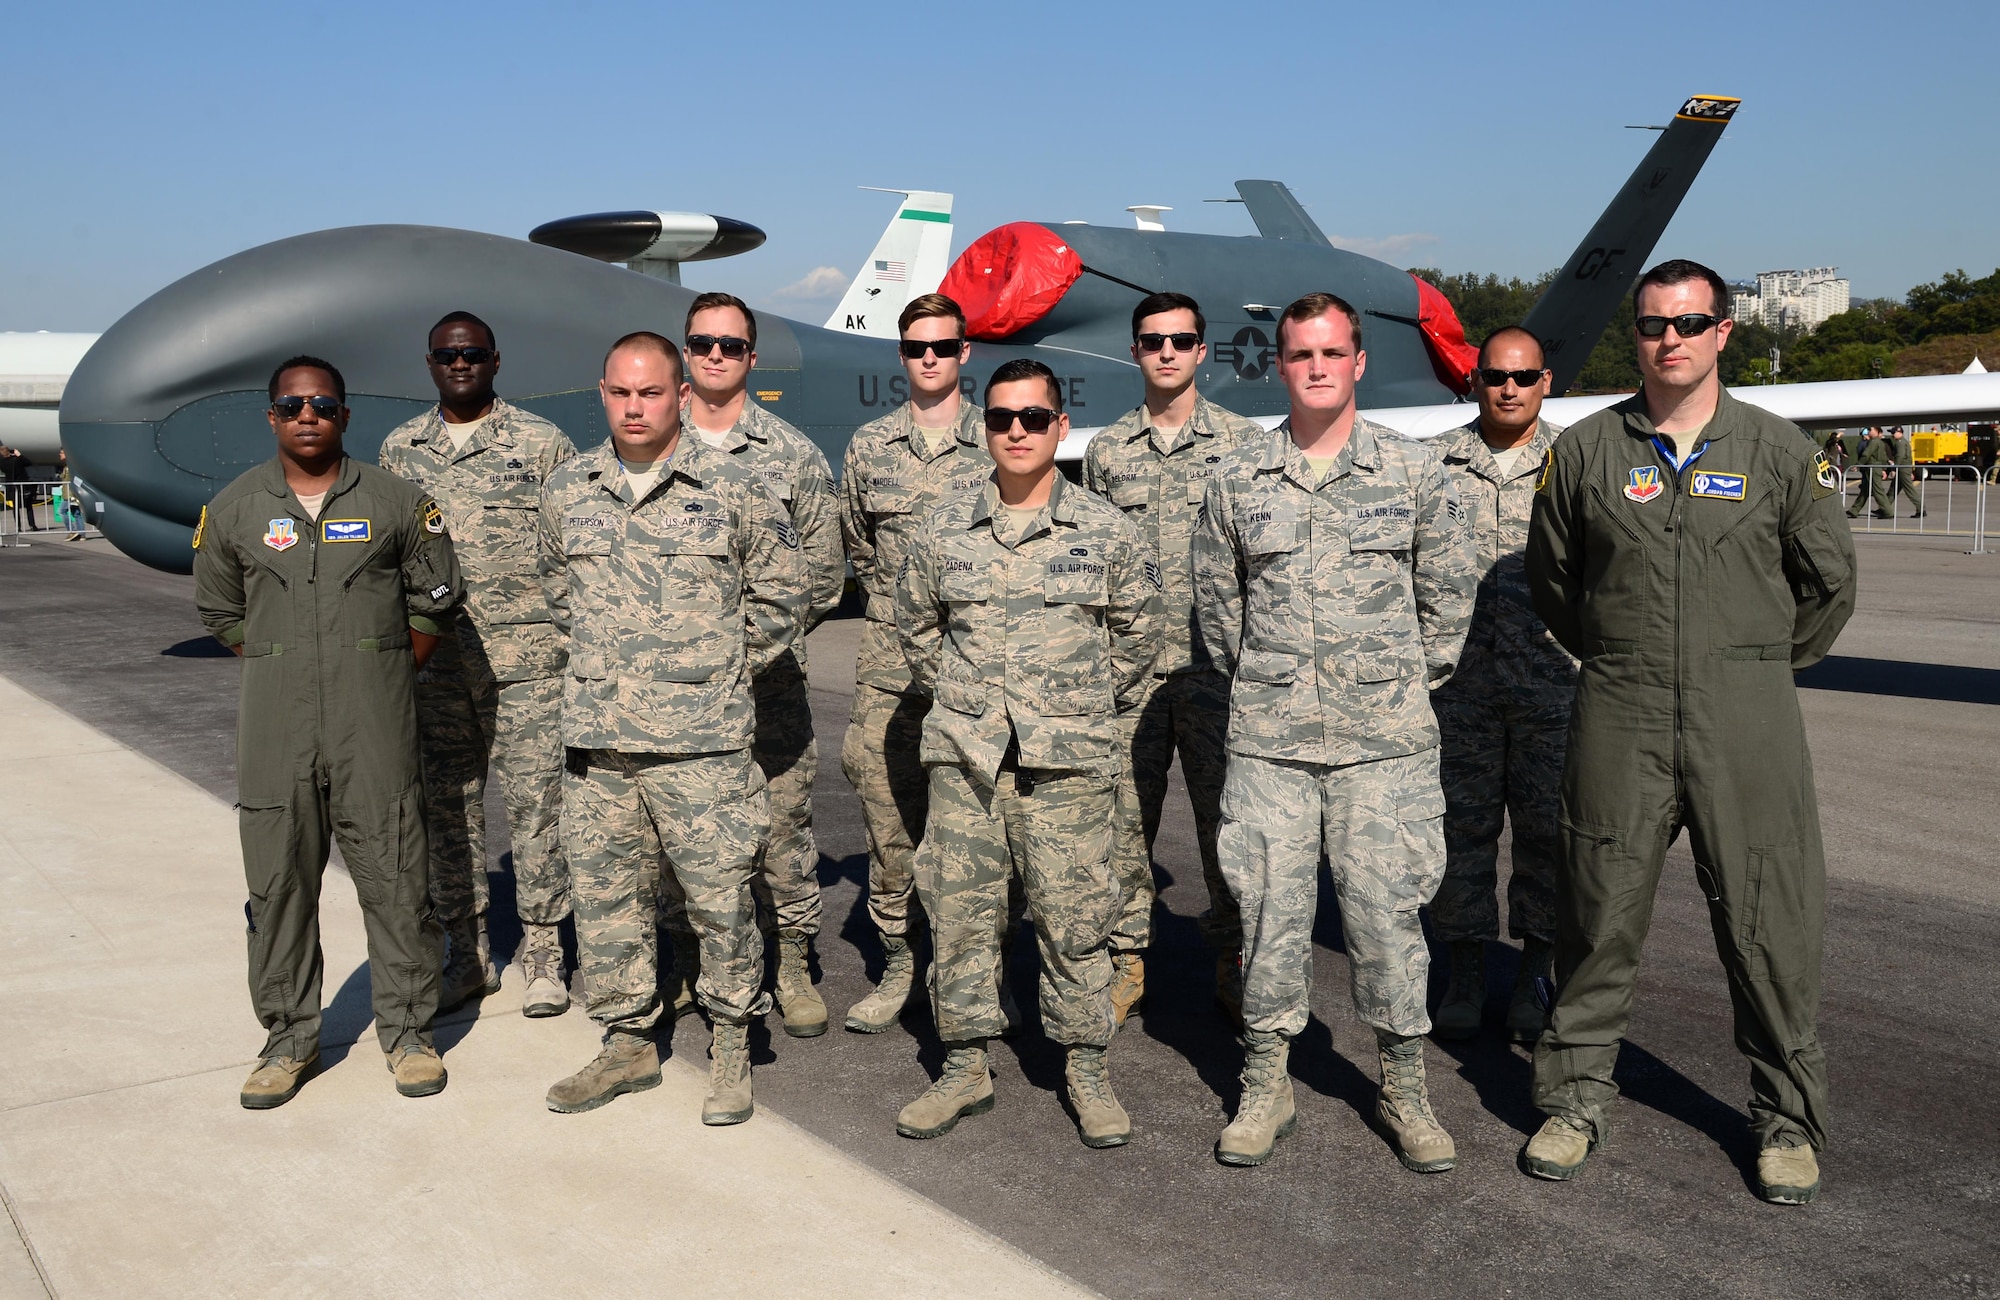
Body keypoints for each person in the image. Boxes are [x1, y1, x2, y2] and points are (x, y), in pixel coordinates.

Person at [1524, 258, 1855, 1205]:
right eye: (1651, 324)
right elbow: (1557, 581)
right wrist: (1628, 655)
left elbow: (1829, 584)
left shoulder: (1782, 451)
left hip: (1744, 711)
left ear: (1722, 333)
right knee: (1596, 907)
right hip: (1620, 703)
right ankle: (1574, 1098)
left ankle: (1787, 1118)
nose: (1669, 339)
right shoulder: (1586, 451)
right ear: (1636, 335)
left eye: (1688, 321)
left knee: (1769, 918)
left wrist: (1748, 661)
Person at [1193, 292, 1476, 1173]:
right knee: (1270, 917)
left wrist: (1385, 688)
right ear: (1280, 367)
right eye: (1298, 354)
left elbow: (1449, 600)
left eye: (1331, 352)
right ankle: (1266, 1082)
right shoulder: (1238, 478)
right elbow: (1217, 614)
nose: (1315, 367)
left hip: (1383, 747)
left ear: (1359, 362)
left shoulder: (1414, 471)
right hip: (1272, 743)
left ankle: (1403, 1085)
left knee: (1389, 921)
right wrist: (1279, 689)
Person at [537, 332, 806, 1123]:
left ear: (680, 394)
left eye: (650, 392)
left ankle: (731, 1044)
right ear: (602, 393)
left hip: (703, 744)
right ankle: (626, 1041)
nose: (634, 406)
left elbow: (782, 596)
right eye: (620, 392)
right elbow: (561, 593)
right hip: (600, 743)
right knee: (608, 898)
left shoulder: (737, 488)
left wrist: (708, 672)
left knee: (719, 897)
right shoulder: (567, 490)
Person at [894, 358, 1160, 1147]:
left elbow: (1138, 643)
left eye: (1034, 417)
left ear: (1059, 426)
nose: (1017, 430)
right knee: (962, 918)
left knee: (1075, 917)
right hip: (968, 759)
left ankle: (1085, 1066)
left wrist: (1068, 713)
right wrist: (971, 705)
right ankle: (965, 1065)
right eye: (1003, 418)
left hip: (1069, 763)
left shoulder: (1108, 532)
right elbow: (916, 633)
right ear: (984, 427)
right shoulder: (941, 531)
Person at [193, 355, 464, 1109]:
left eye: (322, 404)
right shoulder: (237, 508)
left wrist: (374, 671)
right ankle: (287, 1041)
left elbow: (434, 599)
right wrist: (287, 666)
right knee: (276, 884)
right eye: (291, 405)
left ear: (344, 414)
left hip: (372, 724)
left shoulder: (396, 501)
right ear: (271, 417)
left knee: (396, 877)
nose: (306, 415)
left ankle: (408, 1035)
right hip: (276, 729)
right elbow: (220, 612)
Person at [378, 312, 580, 1020]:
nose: (459, 363)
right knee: (448, 811)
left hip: (527, 663)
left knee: (537, 810)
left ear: (495, 361)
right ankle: (465, 956)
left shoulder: (542, 443)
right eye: (446, 355)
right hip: (436, 664)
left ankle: (545, 953)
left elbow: (570, 549)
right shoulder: (401, 449)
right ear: (430, 364)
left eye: (472, 354)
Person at [654, 293, 845, 1038]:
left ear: (751, 358)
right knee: (678, 832)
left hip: (770, 686)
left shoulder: (791, 455)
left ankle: (792, 961)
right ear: (685, 350)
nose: (714, 356)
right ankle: (690, 962)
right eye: (702, 342)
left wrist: (737, 649)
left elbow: (823, 579)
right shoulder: (650, 445)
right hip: (671, 695)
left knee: (782, 827)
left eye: (730, 346)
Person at [1082, 291, 1266, 1028]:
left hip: (1218, 672)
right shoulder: (1105, 451)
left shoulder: (1245, 446)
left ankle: (1234, 959)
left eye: (1180, 339)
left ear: (1200, 351)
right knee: (1124, 827)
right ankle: (1126, 962)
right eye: (1152, 339)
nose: (1165, 351)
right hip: (1129, 674)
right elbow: (1093, 557)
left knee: (1229, 828)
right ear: (1135, 351)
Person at [838, 294, 998, 1033]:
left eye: (941, 346)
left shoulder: (998, 437)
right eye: (914, 347)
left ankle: (979, 973)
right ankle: (902, 960)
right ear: (901, 356)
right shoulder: (870, 446)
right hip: (891, 666)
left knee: (981, 824)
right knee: (886, 811)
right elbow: (860, 547)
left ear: (965, 352)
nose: (928, 358)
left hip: (976, 664)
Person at [1426, 328, 1574, 1042]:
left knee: (1548, 835)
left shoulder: (1579, 461)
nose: (1508, 388)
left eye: (1523, 376)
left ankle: (1536, 976)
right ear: (1474, 382)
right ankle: (1464, 972)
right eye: (1494, 376)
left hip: (1555, 687)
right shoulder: (1434, 465)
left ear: (1547, 382)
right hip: (1460, 690)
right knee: (1460, 832)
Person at [1848, 427, 1893, 519]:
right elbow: (1884, 457)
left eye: (1870, 430)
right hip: (1875, 467)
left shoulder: (1873, 442)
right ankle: (1854, 510)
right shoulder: (1880, 442)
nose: (1869, 432)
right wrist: (1883, 469)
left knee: (1877, 490)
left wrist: (1858, 465)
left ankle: (1888, 512)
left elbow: (1866, 454)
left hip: (1872, 468)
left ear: (1876, 431)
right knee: (1865, 490)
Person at [1885, 426, 1926, 518]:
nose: (1892, 435)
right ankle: (1884, 508)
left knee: (1909, 490)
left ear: (1900, 432)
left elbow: (1900, 456)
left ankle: (1921, 509)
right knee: (1893, 490)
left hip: (1902, 469)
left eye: (1893, 432)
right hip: (1903, 468)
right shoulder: (1902, 442)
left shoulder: (1900, 443)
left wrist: (1895, 468)